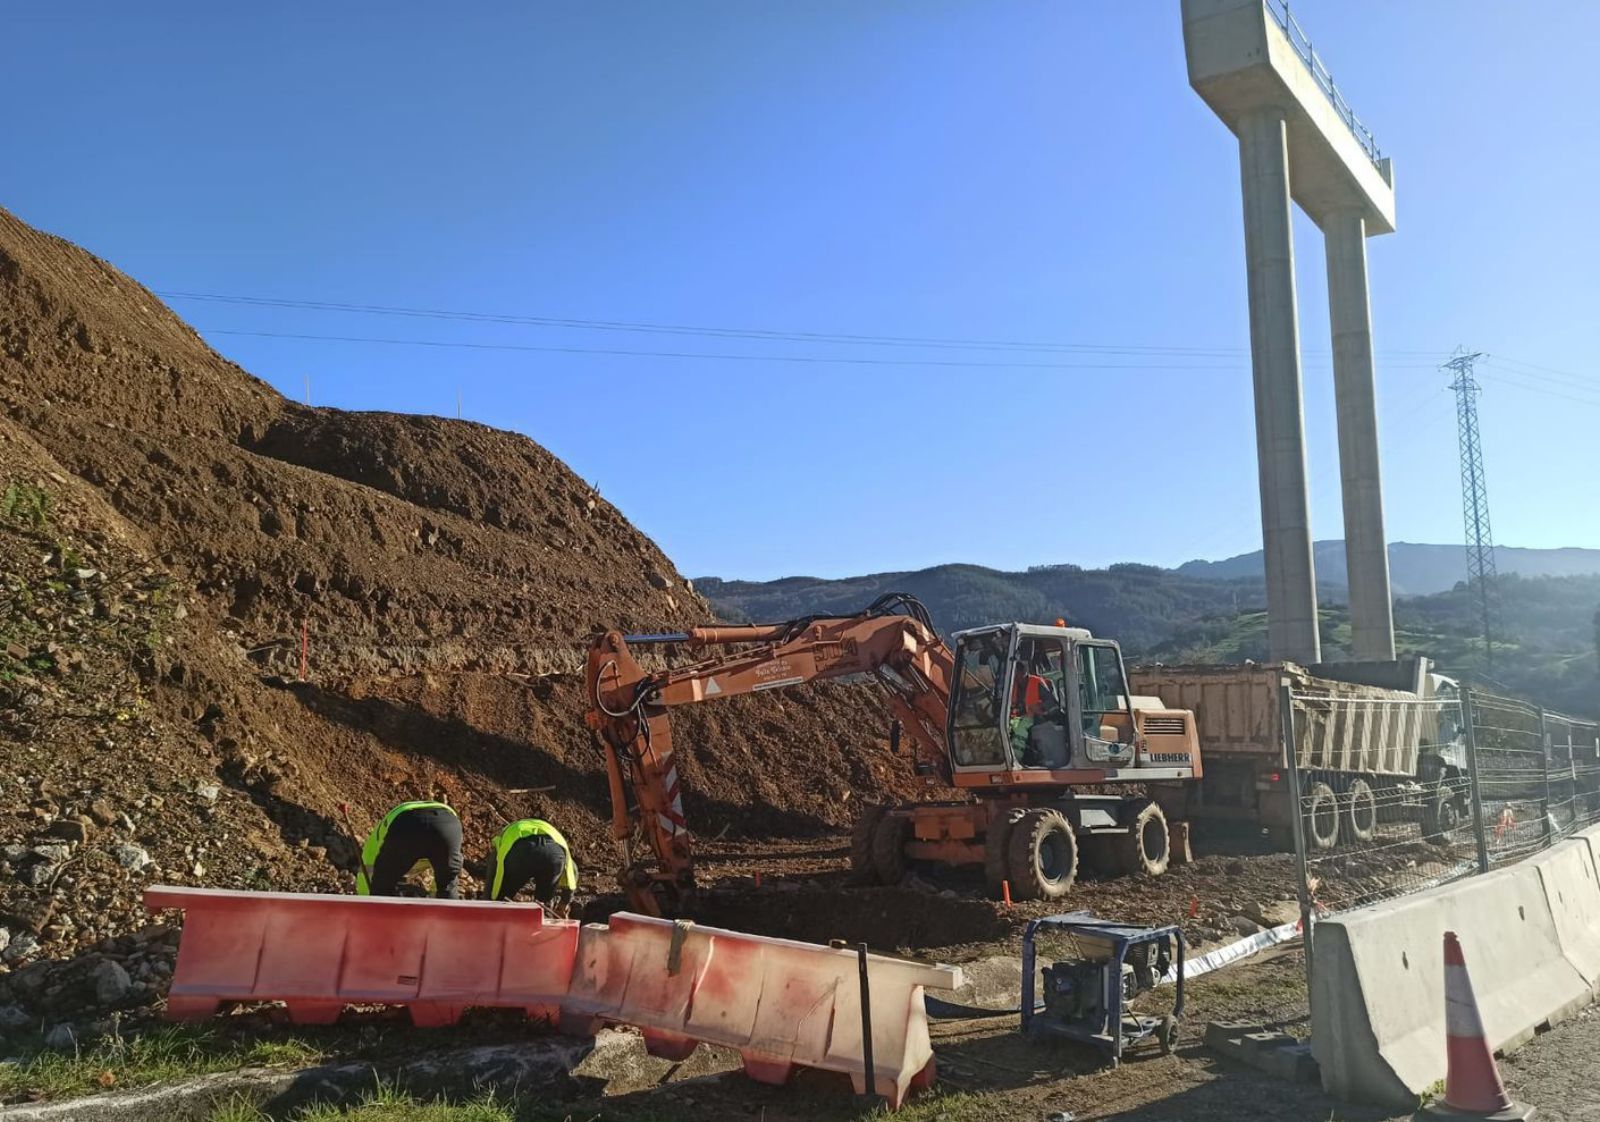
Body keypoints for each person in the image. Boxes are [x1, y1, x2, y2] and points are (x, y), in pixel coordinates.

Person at [355, 800, 463, 899]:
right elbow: (443, 877)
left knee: (382, 887)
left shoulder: (370, 850)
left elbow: (369, 878)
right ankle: (450, 919)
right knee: (447, 885)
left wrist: (368, 899)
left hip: (407, 824)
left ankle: (379, 919)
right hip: (449, 824)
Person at [485, 817, 578, 915]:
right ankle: (543, 922)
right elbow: (573, 871)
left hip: (521, 852)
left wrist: (488, 902)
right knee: (542, 905)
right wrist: (565, 902)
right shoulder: (555, 835)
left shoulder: (508, 832)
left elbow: (492, 872)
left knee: (502, 899)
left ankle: (499, 921)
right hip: (553, 855)